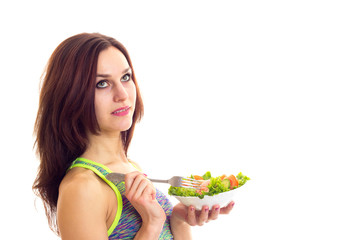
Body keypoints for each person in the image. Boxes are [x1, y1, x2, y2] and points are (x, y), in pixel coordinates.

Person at [33, 32, 235, 239]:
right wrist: (151, 225)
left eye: (125, 77)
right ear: (71, 96)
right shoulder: (82, 188)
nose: (122, 94)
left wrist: (177, 220)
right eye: (102, 83)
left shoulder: (130, 167)